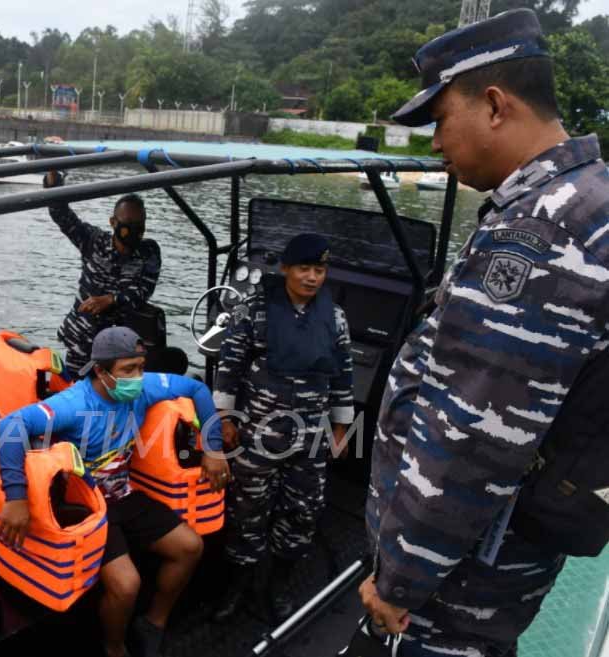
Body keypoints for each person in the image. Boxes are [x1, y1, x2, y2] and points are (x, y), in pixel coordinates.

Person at [358, 9, 609, 657]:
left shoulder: (541, 233)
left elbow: (475, 435)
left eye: (440, 119)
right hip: (494, 564)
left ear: (494, 105)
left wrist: (399, 580)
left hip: (452, 584)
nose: (434, 142)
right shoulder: (584, 200)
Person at [0, 326, 230, 657]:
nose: (138, 377)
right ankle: (115, 647)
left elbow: (196, 388)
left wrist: (213, 447)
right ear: (101, 372)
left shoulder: (142, 389)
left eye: (140, 367)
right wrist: (16, 496)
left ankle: (154, 624)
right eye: (127, 370)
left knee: (190, 547)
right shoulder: (74, 403)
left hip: (125, 494)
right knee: (127, 583)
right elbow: (11, 427)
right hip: (90, 507)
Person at [210, 233, 355, 624]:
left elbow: (343, 374)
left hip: (310, 439)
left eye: (320, 270)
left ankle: (279, 586)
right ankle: (237, 587)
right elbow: (229, 368)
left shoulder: (334, 317)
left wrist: (342, 427)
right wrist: (224, 419)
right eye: (305, 269)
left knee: (302, 512)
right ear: (286, 269)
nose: (312, 278)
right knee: (247, 511)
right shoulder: (254, 310)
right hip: (258, 434)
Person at [44, 171, 162, 378]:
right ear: (113, 222)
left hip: (119, 348)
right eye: (128, 223)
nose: (134, 230)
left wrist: (112, 300)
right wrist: (53, 180)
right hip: (81, 339)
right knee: (79, 391)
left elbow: (143, 291)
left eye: (139, 224)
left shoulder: (148, 252)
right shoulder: (94, 241)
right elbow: (61, 214)